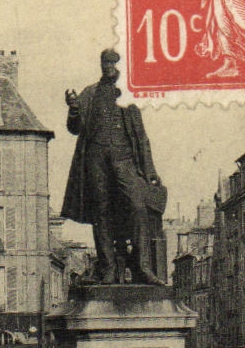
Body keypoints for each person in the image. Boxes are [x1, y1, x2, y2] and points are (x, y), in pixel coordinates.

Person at [62, 49, 169, 285]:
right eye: (105, 63)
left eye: (113, 63)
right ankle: (108, 268)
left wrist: (149, 170)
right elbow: (74, 128)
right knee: (101, 212)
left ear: (119, 66)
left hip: (124, 158)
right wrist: (74, 108)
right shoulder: (91, 92)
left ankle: (142, 267)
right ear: (101, 65)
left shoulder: (128, 94)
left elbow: (141, 135)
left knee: (138, 206)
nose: (109, 67)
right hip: (96, 157)